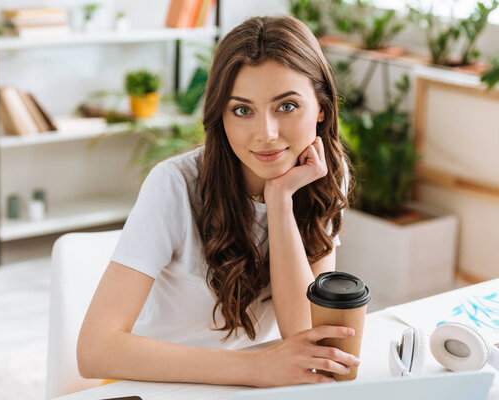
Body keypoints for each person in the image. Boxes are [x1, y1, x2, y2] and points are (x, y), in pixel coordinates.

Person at [77, 15, 356, 388]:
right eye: (242, 110)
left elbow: (303, 331)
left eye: (286, 106)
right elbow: (95, 350)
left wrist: (279, 200)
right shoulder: (175, 185)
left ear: (321, 107)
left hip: (251, 382)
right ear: (221, 116)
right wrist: (256, 369)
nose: (266, 134)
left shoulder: (321, 176)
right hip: (153, 385)